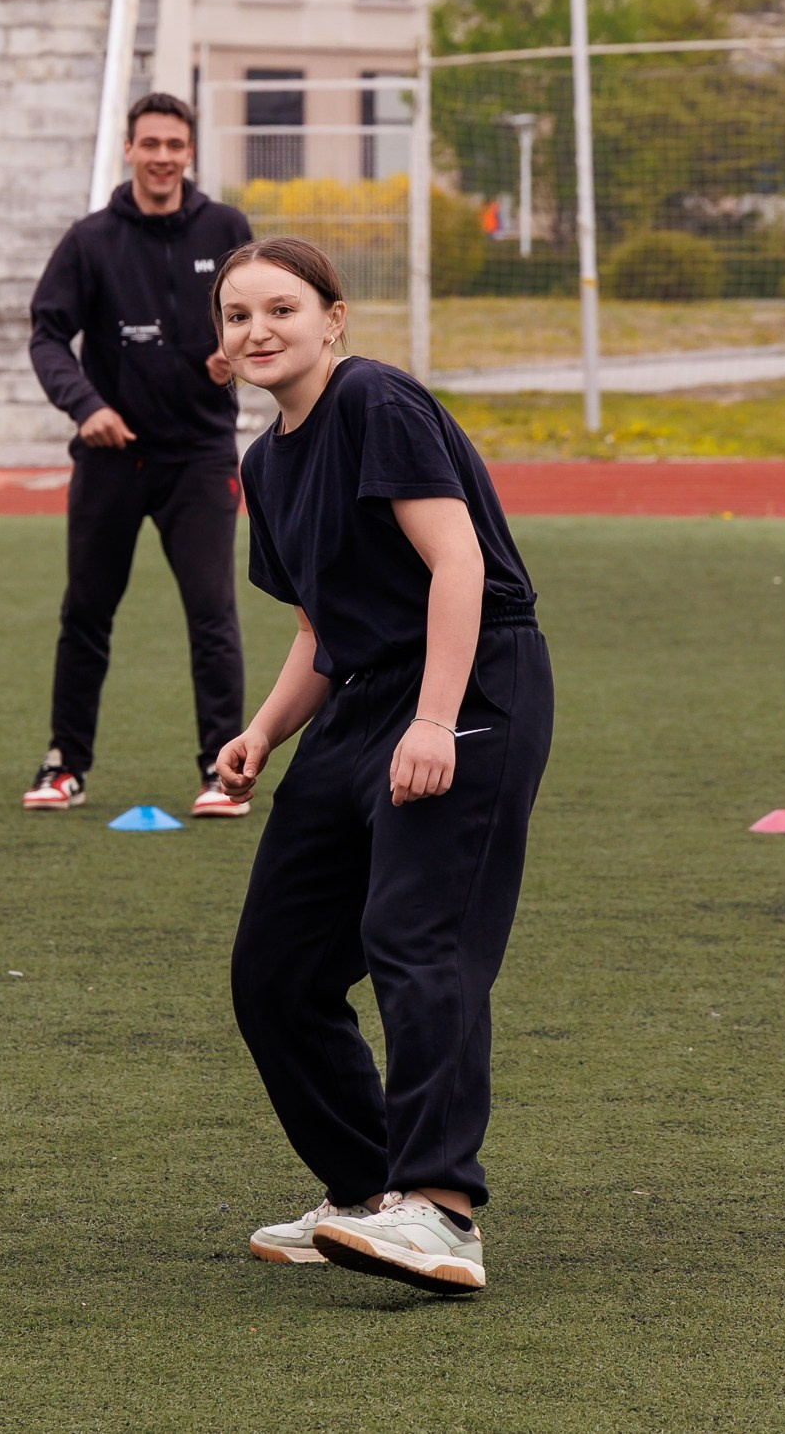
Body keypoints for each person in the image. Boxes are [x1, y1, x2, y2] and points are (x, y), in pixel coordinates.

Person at [211, 237, 553, 1296]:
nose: (257, 329)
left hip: (469, 684)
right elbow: (323, 620)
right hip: (359, 702)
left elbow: (456, 562)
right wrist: (264, 729)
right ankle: (366, 1193)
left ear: (333, 317)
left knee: (419, 936)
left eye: (280, 307)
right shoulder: (265, 461)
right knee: (276, 972)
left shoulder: (376, 402)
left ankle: (441, 1208)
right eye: (235, 316)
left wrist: (437, 720)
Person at [24, 92, 254, 818]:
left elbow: (265, 312)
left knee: (212, 612)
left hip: (200, 454)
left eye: (174, 145)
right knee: (86, 612)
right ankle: (65, 765)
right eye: (149, 143)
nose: (162, 157)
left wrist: (237, 352)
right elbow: (46, 334)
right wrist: (86, 406)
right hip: (111, 458)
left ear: (190, 152)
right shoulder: (91, 240)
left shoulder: (227, 228)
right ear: (129, 150)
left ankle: (223, 772)